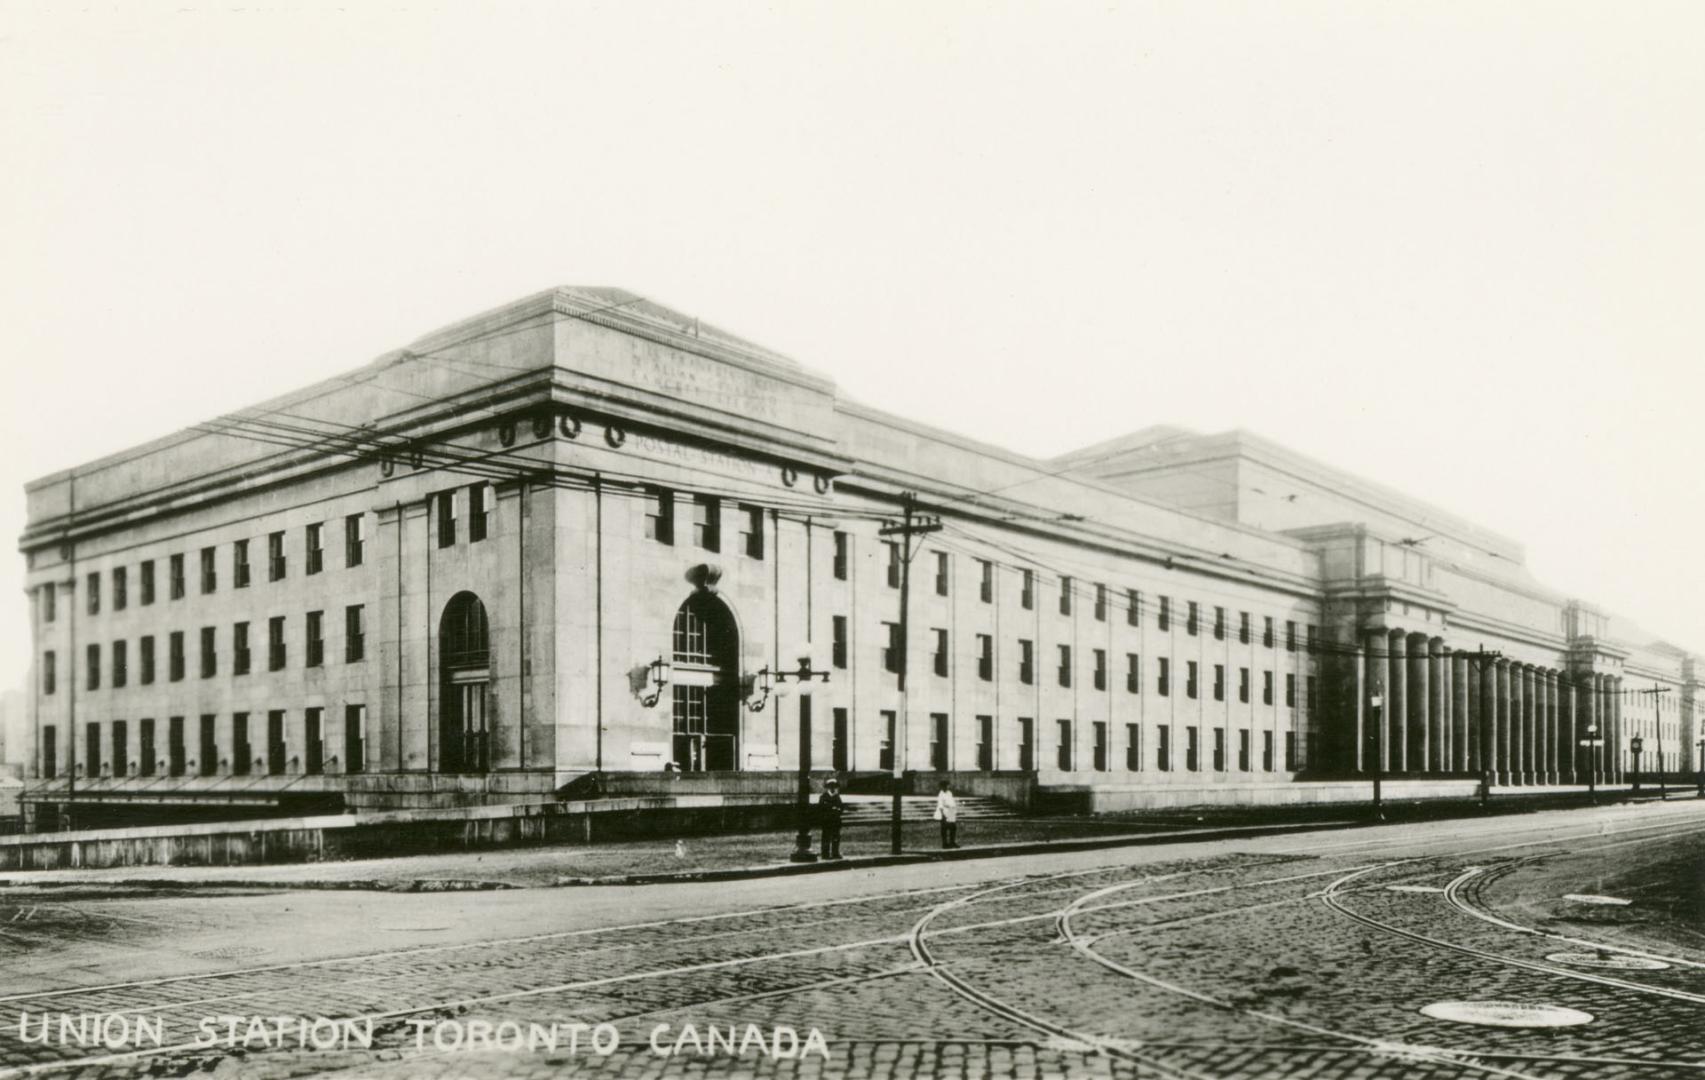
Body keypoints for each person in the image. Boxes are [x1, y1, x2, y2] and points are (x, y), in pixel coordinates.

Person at [818, 776, 845, 860]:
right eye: (831, 786)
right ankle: (825, 854)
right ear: (828, 787)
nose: (833, 788)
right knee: (826, 837)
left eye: (834, 786)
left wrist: (838, 809)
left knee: (836, 837)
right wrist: (831, 808)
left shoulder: (837, 797)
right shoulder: (823, 797)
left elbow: (841, 807)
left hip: (836, 820)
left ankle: (835, 853)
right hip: (827, 821)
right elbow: (821, 808)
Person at [934, 783, 959, 848]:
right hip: (944, 811)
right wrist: (943, 815)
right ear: (941, 787)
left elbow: (952, 802)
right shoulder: (941, 794)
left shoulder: (949, 793)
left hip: (950, 811)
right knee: (944, 828)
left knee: (953, 827)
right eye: (944, 786)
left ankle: (952, 842)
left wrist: (953, 811)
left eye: (947, 785)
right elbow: (940, 805)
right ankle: (944, 844)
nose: (946, 787)